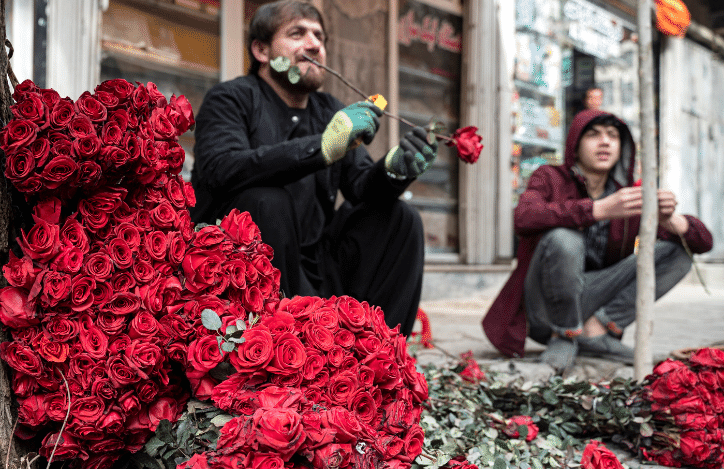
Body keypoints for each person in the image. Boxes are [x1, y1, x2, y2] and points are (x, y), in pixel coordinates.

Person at [189, 0, 435, 334]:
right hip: (243, 271)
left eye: (319, 36)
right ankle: (274, 348)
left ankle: (381, 353)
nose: (314, 45)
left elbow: (361, 187)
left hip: (319, 264)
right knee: (266, 199)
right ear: (261, 51)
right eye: (297, 33)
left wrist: (394, 170)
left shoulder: (328, 109)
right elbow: (221, 168)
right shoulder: (231, 98)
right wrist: (319, 148)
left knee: (401, 218)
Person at [482, 109, 713, 372]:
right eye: (593, 135)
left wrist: (671, 220)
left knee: (677, 252)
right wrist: (596, 209)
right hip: (544, 305)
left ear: (621, 147)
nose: (605, 142)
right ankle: (564, 333)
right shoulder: (549, 177)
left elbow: (704, 243)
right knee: (563, 238)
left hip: (592, 299)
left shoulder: (627, 196)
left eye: (613, 136)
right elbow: (523, 217)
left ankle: (596, 331)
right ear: (575, 145)